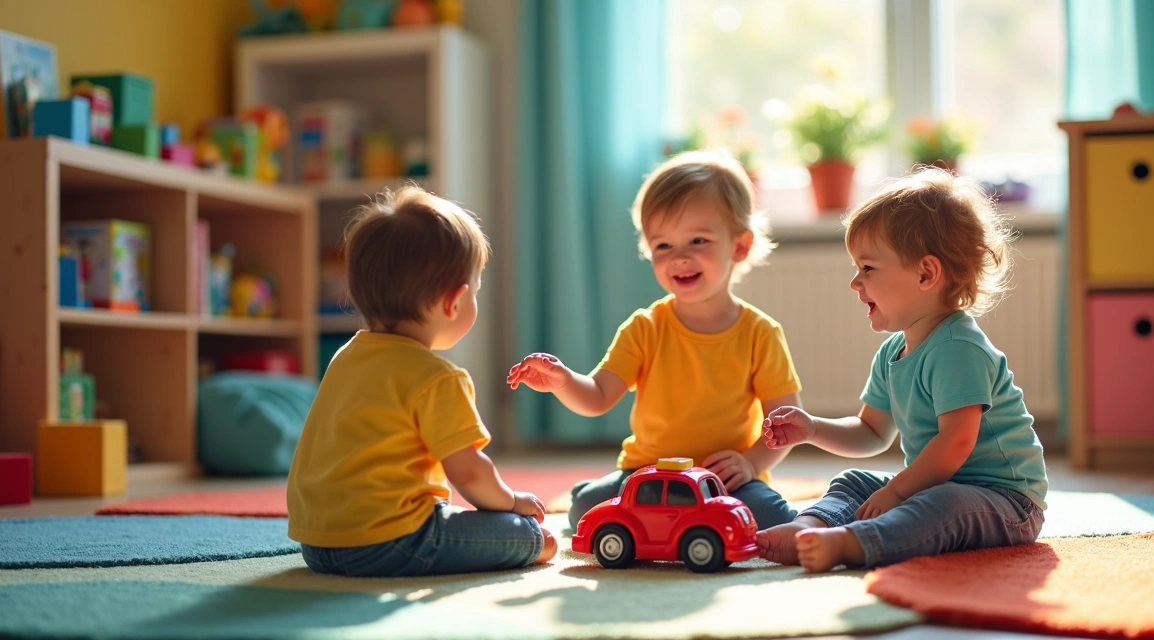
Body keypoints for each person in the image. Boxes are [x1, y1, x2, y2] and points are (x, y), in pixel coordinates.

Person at [756, 168, 1048, 572]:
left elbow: (956, 445)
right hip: (937, 487)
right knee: (854, 480)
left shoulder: (958, 348)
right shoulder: (894, 350)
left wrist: (896, 493)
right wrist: (812, 429)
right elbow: (872, 432)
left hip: (1006, 501)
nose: (855, 283)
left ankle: (855, 544)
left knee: (943, 503)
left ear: (926, 274)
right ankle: (809, 526)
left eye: (868, 268)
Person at [507, 150, 803, 529]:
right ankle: (613, 497)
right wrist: (564, 381)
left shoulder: (760, 333)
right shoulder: (645, 327)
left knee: (768, 516)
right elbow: (598, 395)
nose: (679, 257)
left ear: (740, 246)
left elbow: (787, 424)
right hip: (646, 475)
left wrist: (751, 462)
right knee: (586, 513)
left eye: (698, 240)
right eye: (663, 245)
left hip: (723, 482)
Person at [288, 186, 557, 577]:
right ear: (453, 302)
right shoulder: (437, 377)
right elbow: (467, 473)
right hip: (392, 543)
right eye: (475, 292)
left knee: (449, 514)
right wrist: (513, 502)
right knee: (538, 538)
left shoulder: (345, 357)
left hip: (316, 543)